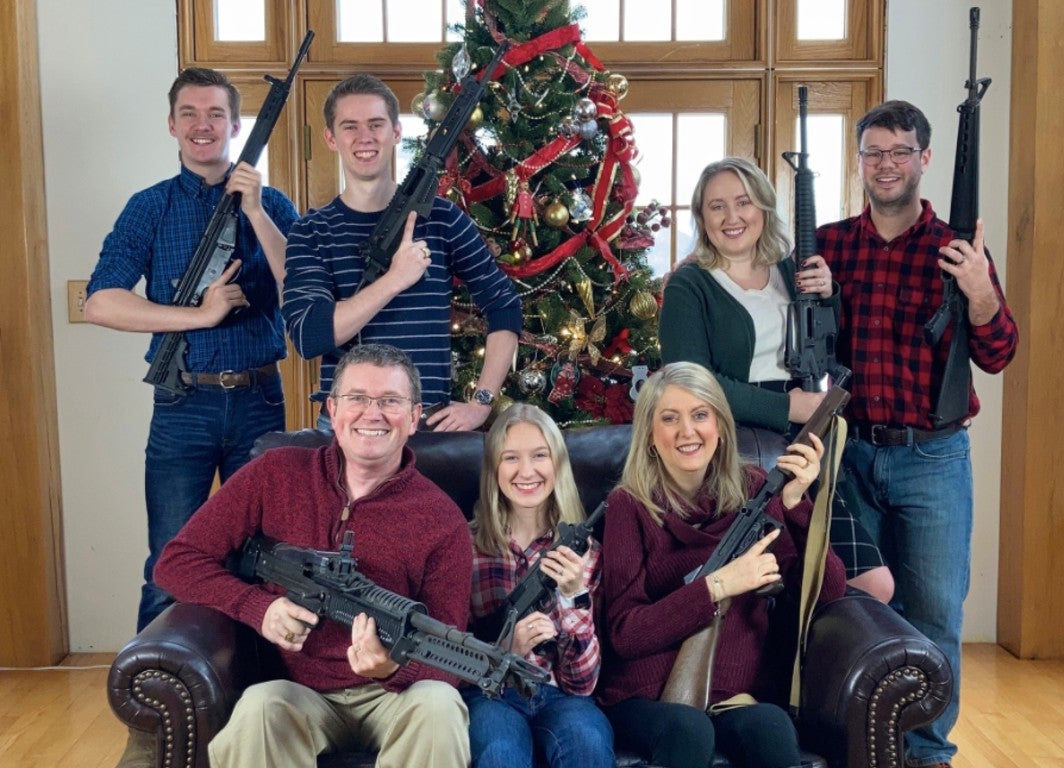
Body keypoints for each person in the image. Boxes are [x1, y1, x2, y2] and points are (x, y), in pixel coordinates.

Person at [815, 100, 1018, 768]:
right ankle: (865, 746)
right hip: (852, 452)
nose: (887, 164)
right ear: (860, 161)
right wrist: (808, 291)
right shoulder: (832, 244)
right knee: (858, 606)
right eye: (874, 152)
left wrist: (981, 292)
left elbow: (1000, 352)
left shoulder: (956, 250)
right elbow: (804, 352)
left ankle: (928, 757)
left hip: (933, 458)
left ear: (925, 159)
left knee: (934, 616)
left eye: (900, 151)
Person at [153, 343, 473, 768]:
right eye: (357, 398)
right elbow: (176, 562)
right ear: (333, 410)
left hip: (394, 697)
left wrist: (391, 671)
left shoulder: (442, 519)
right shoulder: (275, 474)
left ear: (414, 417)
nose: (371, 413)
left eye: (390, 402)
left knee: (439, 705)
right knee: (259, 708)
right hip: (295, 692)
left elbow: (451, 656)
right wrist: (258, 608)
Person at [84, 67, 299, 635]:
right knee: (169, 564)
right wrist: (199, 316)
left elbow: (304, 293)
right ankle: (154, 718)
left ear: (234, 126)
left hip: (259, 400)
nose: (203, 126)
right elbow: (101, 303)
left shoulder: (272, 202)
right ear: (172, 125)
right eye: (190, 114)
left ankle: (256, 702)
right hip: (184, 407)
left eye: (215, 115)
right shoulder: (149, 207)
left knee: (266, 562)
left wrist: (254, 211)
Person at [659, 157, 893, 602]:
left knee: (870, 582)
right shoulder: (689, 286)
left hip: (807, 441)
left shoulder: (790, 272)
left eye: (743, 203)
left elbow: (823, 345)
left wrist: (830, 294)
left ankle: (817, 668)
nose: (732, 217)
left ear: (763, 208)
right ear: (702, 217)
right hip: (739, 449)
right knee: (766, 584)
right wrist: (787, 407)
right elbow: (688, 382)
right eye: (717, 206)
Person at [596, 361, 847, 768]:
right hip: (644, 696)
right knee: (689, 729)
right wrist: (716, 587)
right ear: (650, 436)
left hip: (733, 695)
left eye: (700, 415)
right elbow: (625, 633)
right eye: (669, 418)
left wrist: (798, 503)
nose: (687, 431)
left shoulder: (755, 489)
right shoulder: (628, 506)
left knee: (772, 724)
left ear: (720, 425)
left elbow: (828, 592)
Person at [282, 72, 521, 432]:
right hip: (349, 427)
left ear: (396, 133)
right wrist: (394, 280)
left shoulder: (442, 219)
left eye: (376, 124)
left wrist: (481, 403)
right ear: (331, 138)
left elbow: (504, 305)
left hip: (425, 423)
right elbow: (310, 336)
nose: (365, 137)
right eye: (350, 126)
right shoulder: (311, 231)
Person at [464, 403, 614, 768]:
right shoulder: (467, 547)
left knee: (588, 742)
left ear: (557, 465)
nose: (526, 471)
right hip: (490, 693)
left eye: (540, 456)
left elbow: (582, 685)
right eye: (511, 457)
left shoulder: (587, 554)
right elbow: (448, 651)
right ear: (494, 470)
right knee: (500, 752)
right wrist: (505, 647)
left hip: (560, 695)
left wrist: (573, 596)